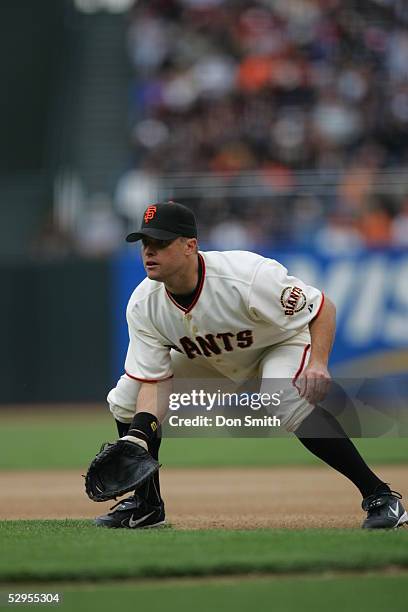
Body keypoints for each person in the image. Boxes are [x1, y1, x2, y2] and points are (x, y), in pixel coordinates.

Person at [95, 201, 407, 530]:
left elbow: (322, 307)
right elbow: (154, 382)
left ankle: (381, 496)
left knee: (283, 396)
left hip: (276, 345)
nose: (149, 251)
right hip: (212, 360)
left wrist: (318, 362)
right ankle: (147, 506)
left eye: (160, 243)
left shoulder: (246, 276)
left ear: (190, 246)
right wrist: (140, 437)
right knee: (126, 396)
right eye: (145, 243)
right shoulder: (144, 304)